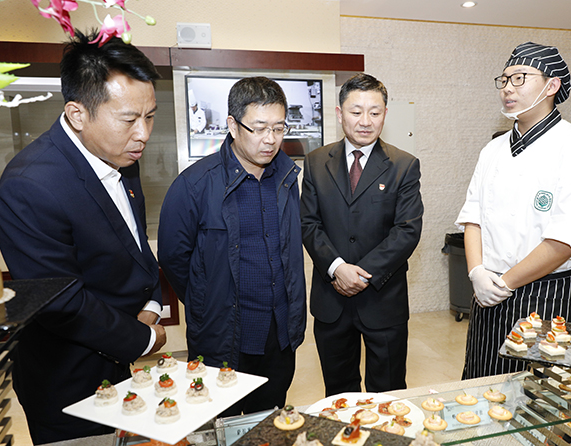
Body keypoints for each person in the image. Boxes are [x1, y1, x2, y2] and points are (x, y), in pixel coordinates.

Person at [0, 31, 166, 444]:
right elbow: (61, 302)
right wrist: (143, 338)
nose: (143, 134)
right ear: (76, 113)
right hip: (68, 384)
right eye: (129, 119)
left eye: (150, 116)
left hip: (122, 374)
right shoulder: (31, 185)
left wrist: (152, 303)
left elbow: (134, 243)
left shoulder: (123, 155)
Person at [456, 42, 571, 379]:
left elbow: (566, 239)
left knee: (543, 398)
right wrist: (477, 273)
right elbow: (473, 216)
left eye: (519, 78)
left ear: (552, 86)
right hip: (488, 291)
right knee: (484, 384)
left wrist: (506, 283)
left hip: (550, 293)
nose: (507, 88)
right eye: (504, 79)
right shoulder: (492, 150)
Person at [158, 77, 306, 415]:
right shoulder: (194, 185)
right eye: (259, 128)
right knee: (220, 425)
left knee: (270, 423)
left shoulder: (287, 178)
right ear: (233, 126)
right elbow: (173, 259)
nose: (270, 140)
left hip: (279, 335)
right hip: (223, 338)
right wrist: (207, 301)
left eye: (279, 128)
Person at [300, 73, 423, 396]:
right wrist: (337, 268)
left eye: (375, 112)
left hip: (383, 298)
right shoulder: (315, 163)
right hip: (331, 298)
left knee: (389, 392)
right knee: (339, 393)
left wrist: (363, 274)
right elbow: (308, 224)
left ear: (385, 114)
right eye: (356, 112)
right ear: (340, 114)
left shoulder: (404, 165)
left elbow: (407, 230)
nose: (365, 121)